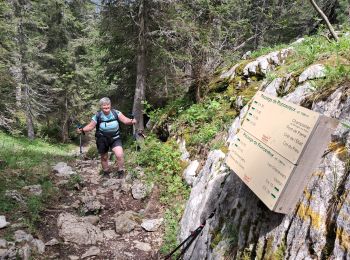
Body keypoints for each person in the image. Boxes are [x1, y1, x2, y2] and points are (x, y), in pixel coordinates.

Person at [77, 97, 137, 178]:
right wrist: (82, 129)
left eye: (108, 105)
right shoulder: (98, 115)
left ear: (110, 105)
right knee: (104, 157)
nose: (106, 107)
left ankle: (121, 171)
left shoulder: (116, 113)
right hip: (102, 138)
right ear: (101, 106)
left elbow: (125, 120)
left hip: (115, 137)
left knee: (119, 154)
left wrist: (131, 121)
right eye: (104, 106)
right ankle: (106, 172)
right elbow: (91, 126)